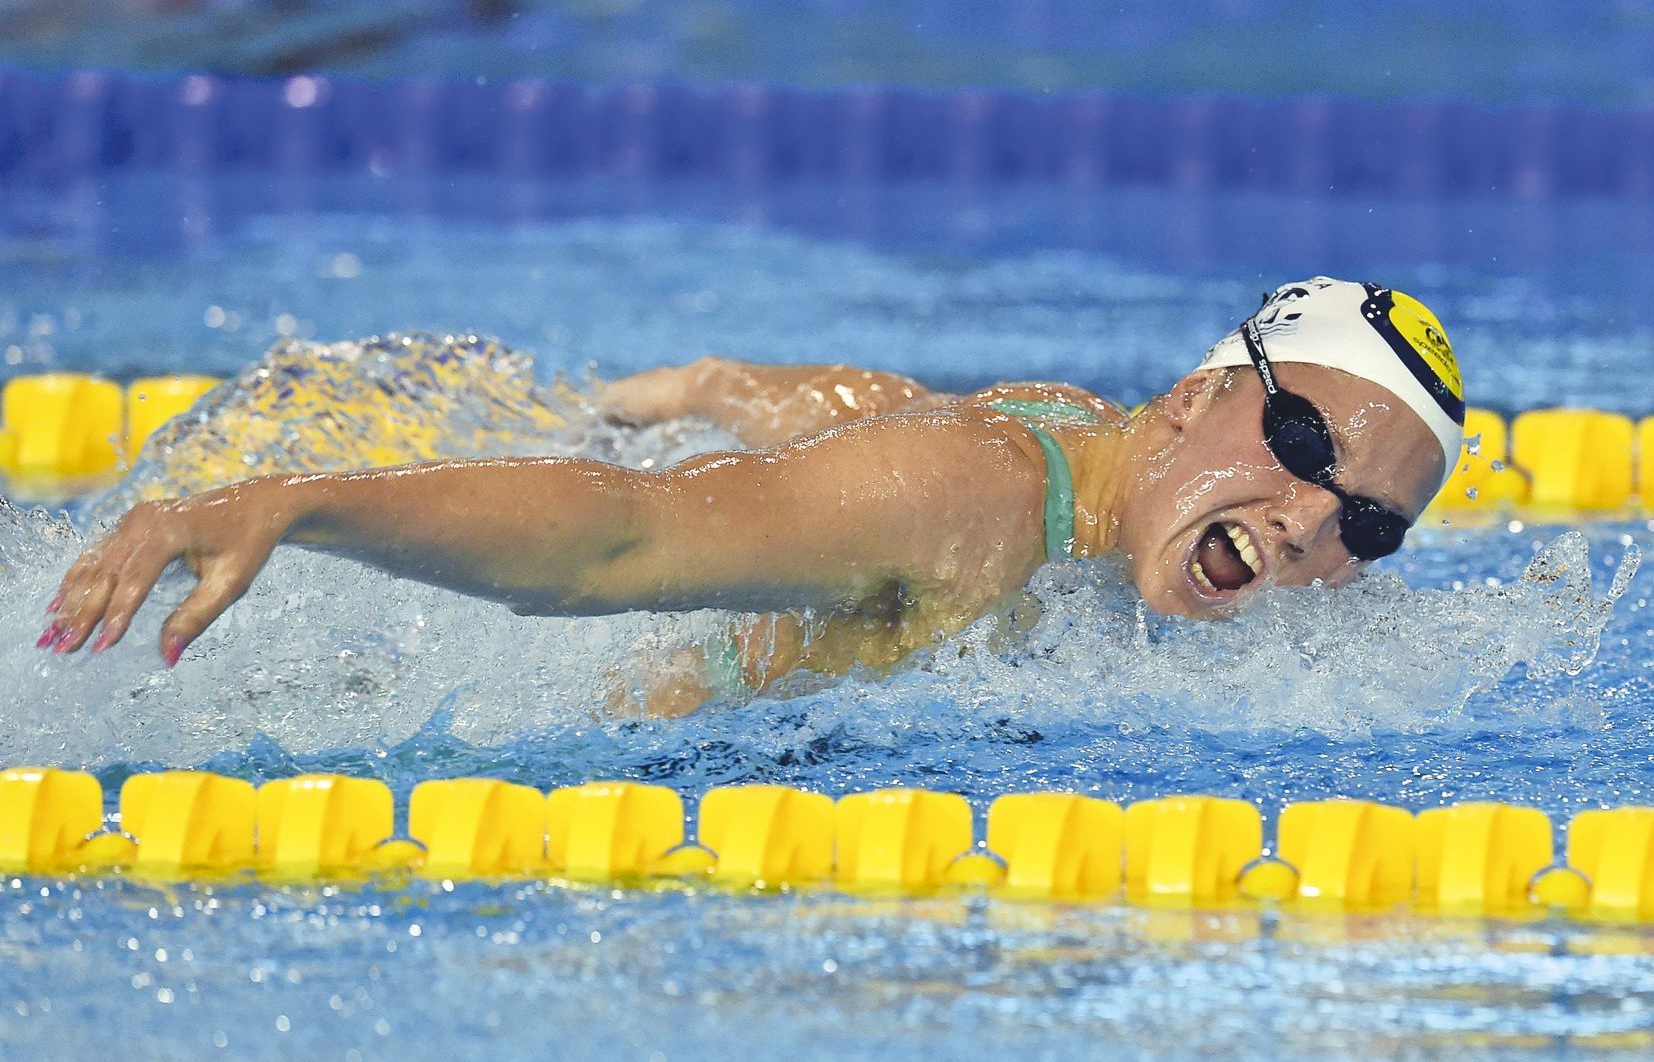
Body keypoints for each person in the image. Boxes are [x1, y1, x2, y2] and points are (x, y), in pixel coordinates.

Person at [38, 276, 1464, 711]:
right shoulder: (974, 500)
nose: (1308, 521)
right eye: (1297, 441)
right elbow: (615, 540)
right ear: (1196, 398)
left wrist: (726, 385)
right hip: (513, 712)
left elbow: (879, 414)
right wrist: (293, 503)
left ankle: (692, 378)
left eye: (1370, 527)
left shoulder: (1094, 465)